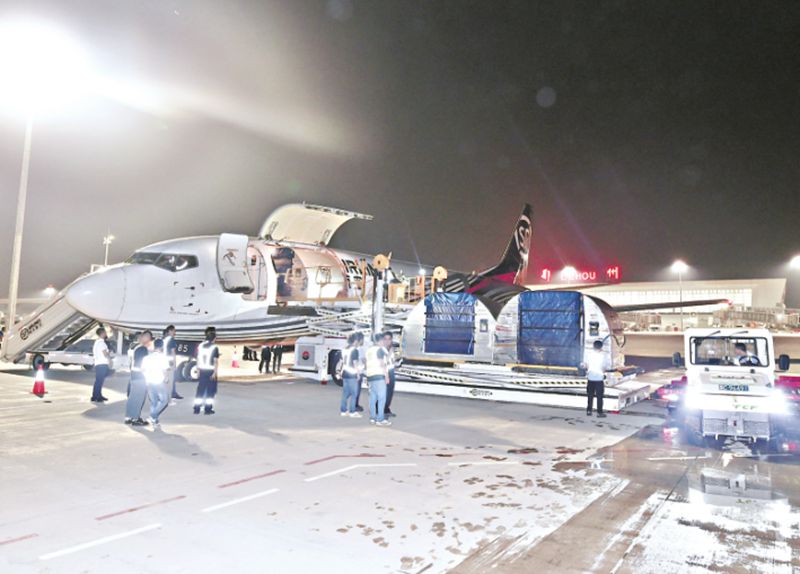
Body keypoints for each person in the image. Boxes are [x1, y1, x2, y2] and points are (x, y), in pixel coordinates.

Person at [126, 331, 152, 425]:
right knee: (139, 398)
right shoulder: (142, 349)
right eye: (148, 337)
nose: (149, 340)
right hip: (140, 375)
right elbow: (142, 364)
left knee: (132, 397)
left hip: (134, 375)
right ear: (144, 337)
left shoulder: (136, 347)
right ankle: (135, 419)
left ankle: (129, 417)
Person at [143, 338, 171, 427]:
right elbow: (164, 369)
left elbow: (143, 370)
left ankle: (154, 421)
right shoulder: (163, 357)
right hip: (158, 381)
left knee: (154, 402)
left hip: (149, 381)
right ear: (162, 346)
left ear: (154, 346)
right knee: (164, 401)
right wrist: (166, 377)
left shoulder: (147, 357)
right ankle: (152, 416)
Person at [365, 333, 391, 426]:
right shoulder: (379, 350)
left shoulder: (369, 350)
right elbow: (381, 363)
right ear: (380, 341)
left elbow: (367, 363)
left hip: (370, 376)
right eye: (383, 340)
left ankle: (373, 417)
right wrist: (386, 376)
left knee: (373, 398)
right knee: (381, 399)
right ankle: (380, 419)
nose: (384, 342)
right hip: (379, 376)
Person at [194, 327, 220, 415]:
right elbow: (215, 361)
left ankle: (196, 408)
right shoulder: (214, 347)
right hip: (210, 370)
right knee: (210, 391)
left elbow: (198, 358)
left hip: (202, 370)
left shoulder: (200, 346)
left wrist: (198, 370)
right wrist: (215, 372)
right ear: (214, 339)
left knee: (200, 390)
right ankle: (207, 409)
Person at [583, 339, 611, 418]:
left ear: (593, 346)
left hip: (590, 377)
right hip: (599, 378)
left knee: (590, 395)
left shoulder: (589, 355)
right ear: (601, 347)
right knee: (599, 396)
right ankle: (599, 412)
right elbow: (604, 368)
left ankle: (589, 410)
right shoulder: (603, 356)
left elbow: (586, 365)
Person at [340, 333, 363, 418]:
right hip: (352, 373)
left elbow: (342, 361)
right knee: (354, 393)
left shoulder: (344, 349)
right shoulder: (354, 350)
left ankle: (343, 411)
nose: (360, 343)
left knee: (345, 393)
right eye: (359, 341)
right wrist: (358, 373)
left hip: (345, 373)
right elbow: (355, 363)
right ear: (356, 341)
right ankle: (352, 412)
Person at [91, 327, 112, 402]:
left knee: (98, 381)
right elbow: (105, 354)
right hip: (102, 363)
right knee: (99, 381)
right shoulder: (102, 343)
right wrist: (109, 355)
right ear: (102, 333)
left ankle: (96, 396)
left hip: (98, 363)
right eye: (105, 332)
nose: (106, 334)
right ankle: (97, 397)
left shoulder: (97, 342)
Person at [162, 325, 182, 400]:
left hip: (164, 361)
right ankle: (170, 395)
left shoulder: (164, 339)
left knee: (166, 378)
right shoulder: (171, 340)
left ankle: (173, 392)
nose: (175, 332)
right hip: (170, 362)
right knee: (171, 379)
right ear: (170, 331)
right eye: (174, 331)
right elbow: (173, 352)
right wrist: (175, 363)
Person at [382, 331, 398, 418]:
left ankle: (386, 409)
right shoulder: (381, 350)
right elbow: (383, 362)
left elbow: (392, 361)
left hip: (391, 370)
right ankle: (381, 410)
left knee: (390, 392)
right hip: (384, 372)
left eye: (389, 339)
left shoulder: (391, 349)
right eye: (385, 339)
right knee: (383, 392)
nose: (387, 341)